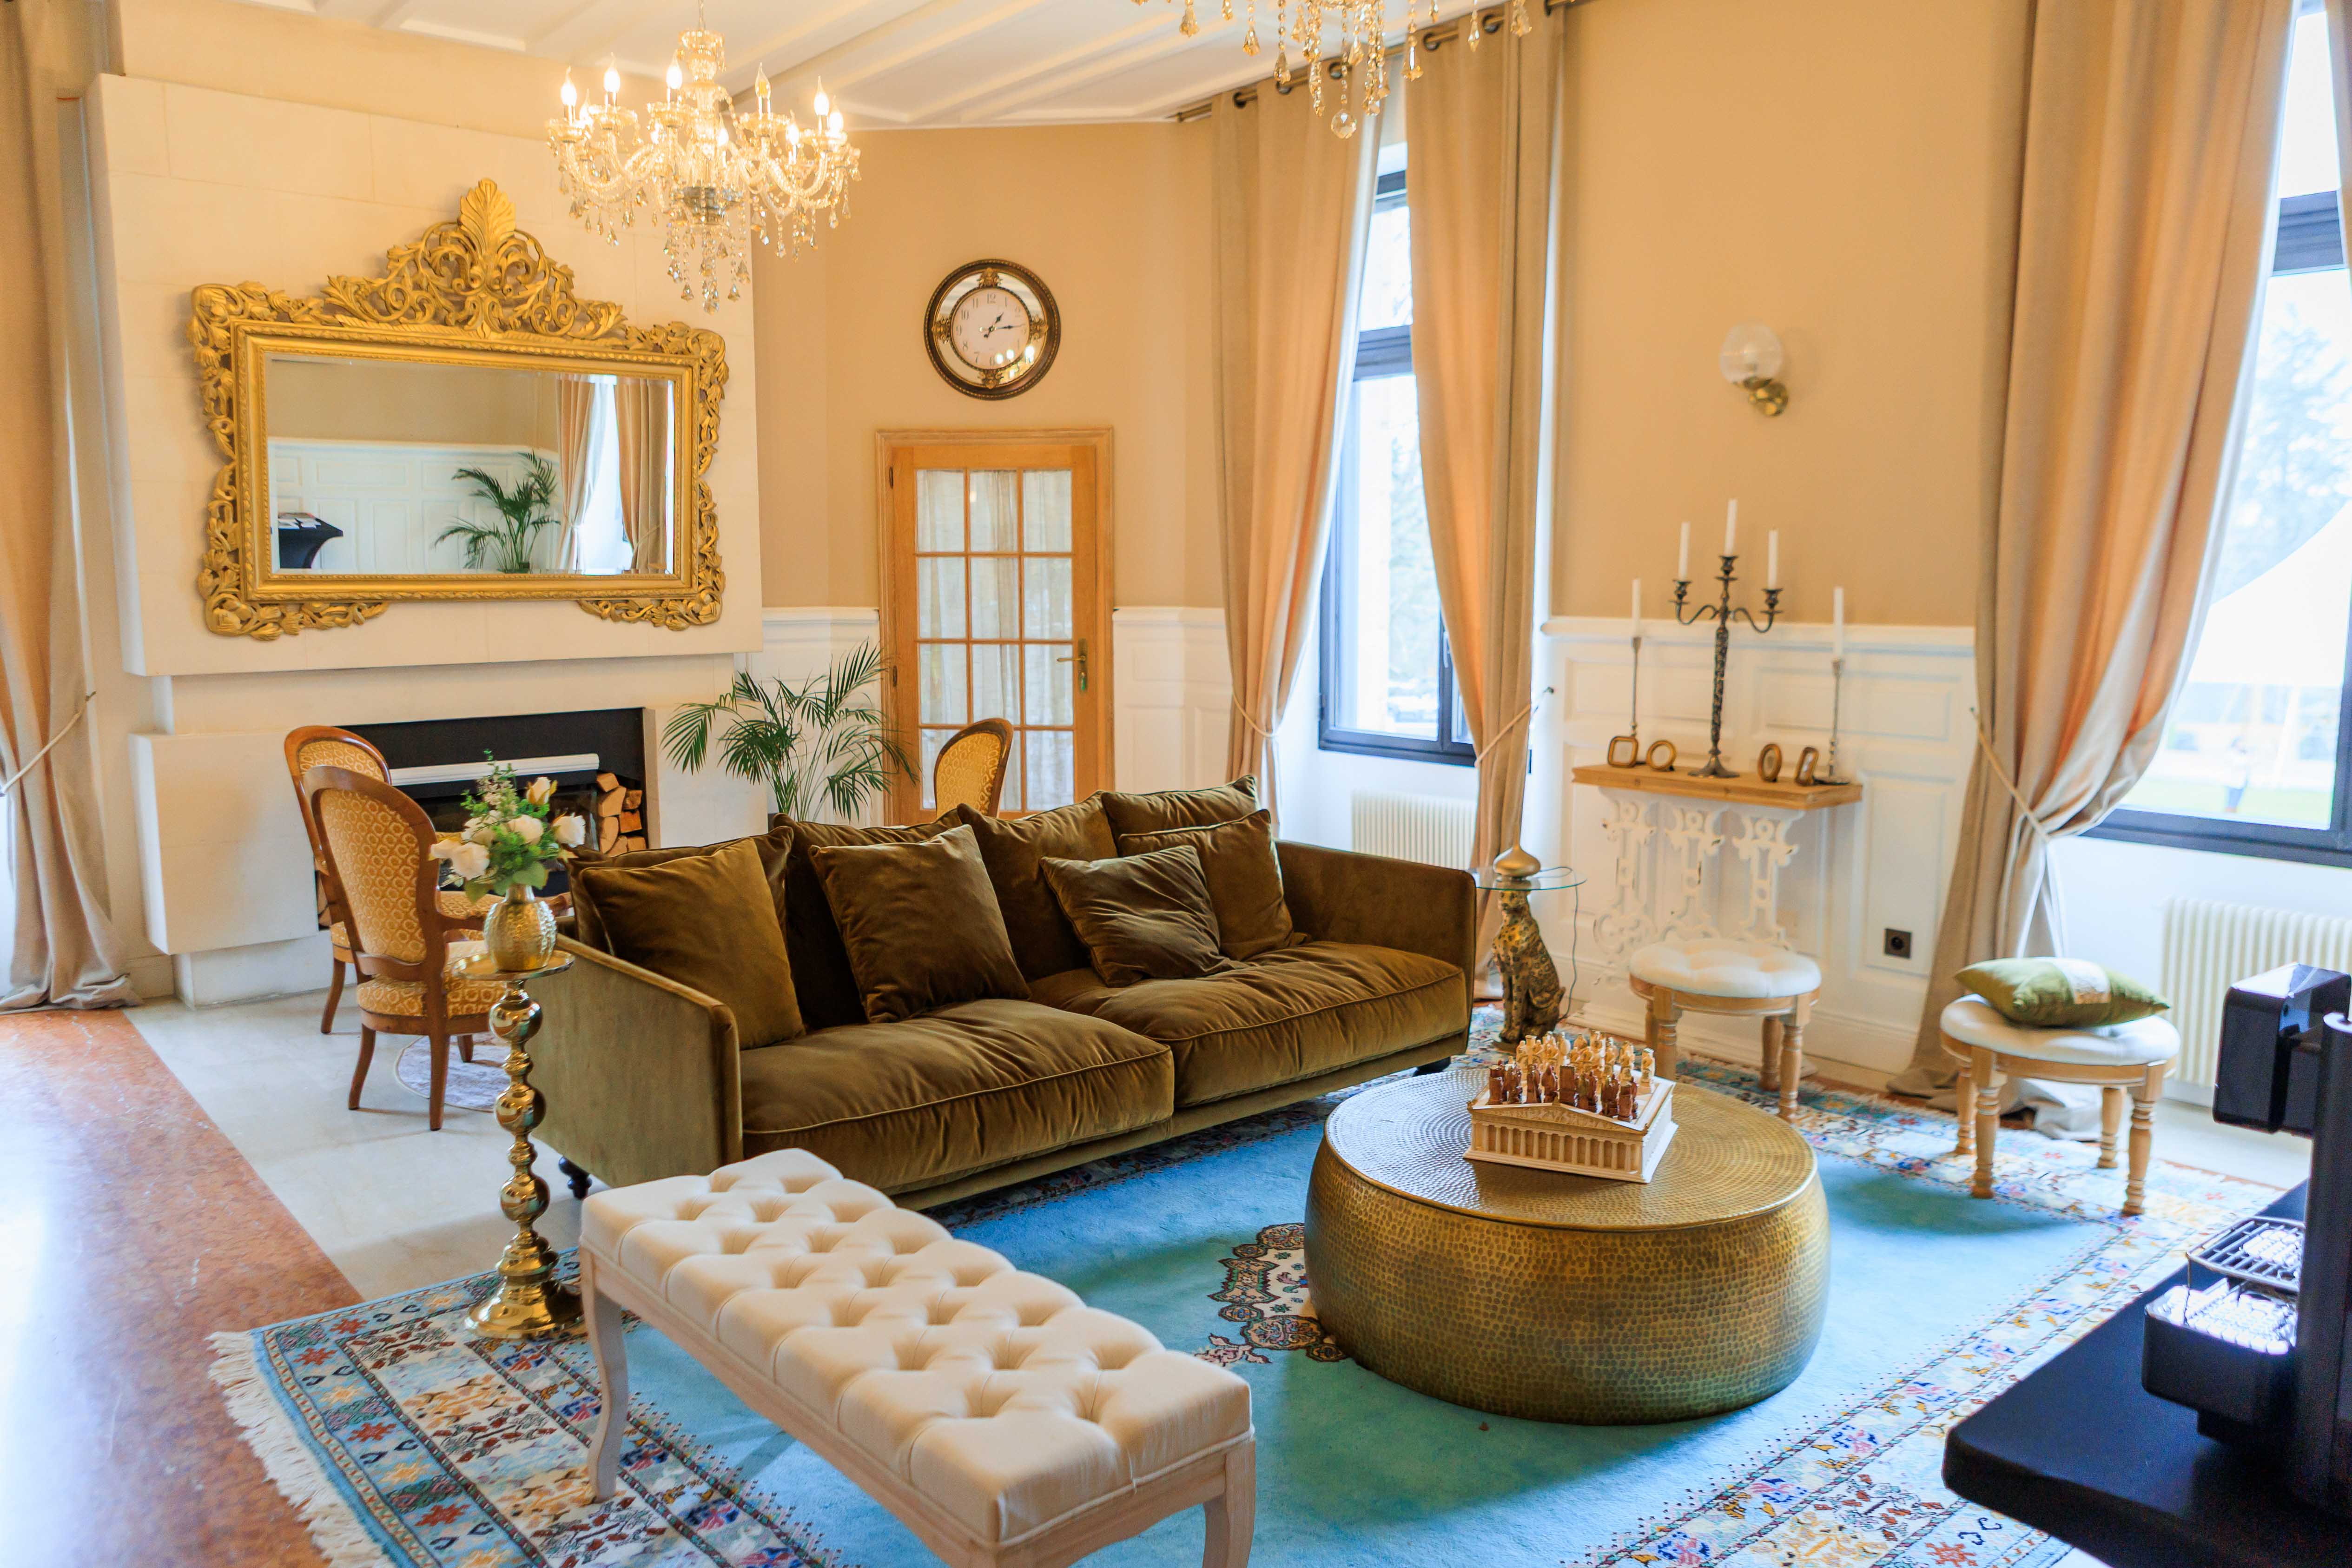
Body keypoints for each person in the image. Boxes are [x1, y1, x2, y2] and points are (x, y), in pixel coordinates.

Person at [2222, 737, 2253, 815]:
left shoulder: (2244, 754)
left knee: (2235, 804)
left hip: (2241, 783)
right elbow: (2238, 764)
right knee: (2231, 803)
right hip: (2233, 782)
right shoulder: (2232, 753)